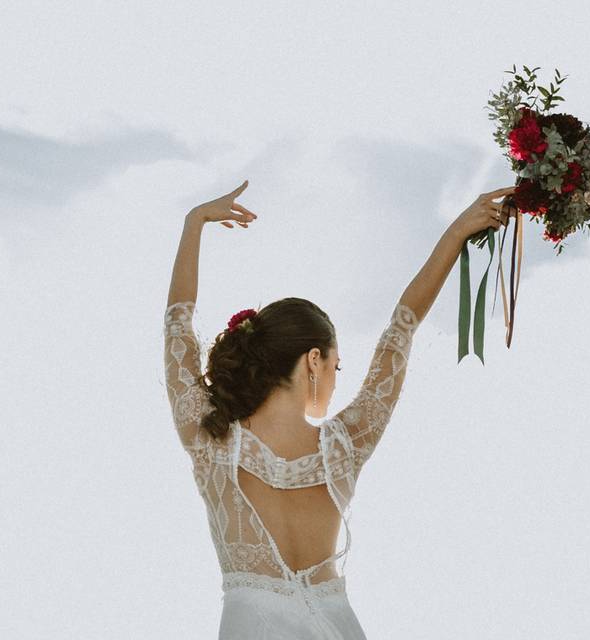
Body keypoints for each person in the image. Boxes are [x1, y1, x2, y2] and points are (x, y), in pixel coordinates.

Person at [163, 179, 514, 639]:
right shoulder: (345, 446)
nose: (335, 375)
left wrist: (195, 224)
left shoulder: (211, 437)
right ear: (314, 359)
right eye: (336, 364)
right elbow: (402, 327)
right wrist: (455, 234)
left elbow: (178, 323)